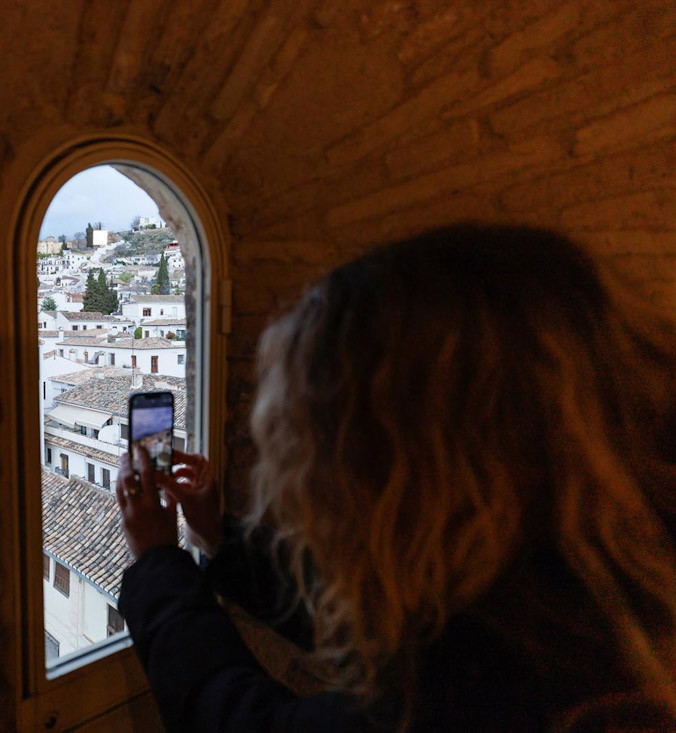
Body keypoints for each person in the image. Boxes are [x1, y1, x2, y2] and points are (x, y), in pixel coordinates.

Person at [114, 225, 676, 732]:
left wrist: (159, 561)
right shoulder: (585, 603)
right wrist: (218, 537)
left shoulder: (479, 700)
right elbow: (360, 612)